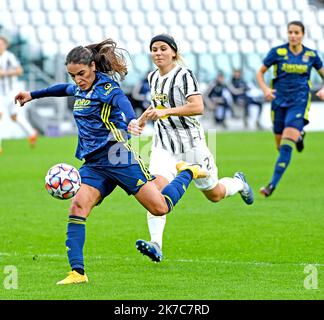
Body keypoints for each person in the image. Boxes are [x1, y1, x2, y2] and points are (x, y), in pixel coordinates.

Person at [15, 39, 208, 285]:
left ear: (93, 67)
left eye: (81, 74)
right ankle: (78, 272)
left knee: (159, 208)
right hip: (94, 164)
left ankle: (188, 172)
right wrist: (32, 95)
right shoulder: (78, 88)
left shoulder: (108, 89)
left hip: (118, 158)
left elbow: (124, 104)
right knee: (77, 208)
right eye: (73, 75)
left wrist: (131, 121)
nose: (77, 80)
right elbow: (62, 88)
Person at [134, 34, 254, 263]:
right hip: (163, 146)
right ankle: (156, 244)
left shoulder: (184, 75)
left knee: (215, 194)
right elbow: (157, 104)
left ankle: (239, 183)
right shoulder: (152, 77)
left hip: (192, 145)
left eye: (162, 49)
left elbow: (197, 106)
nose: (157, 53)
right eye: (154, 49)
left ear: (173, 53)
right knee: (155, 192)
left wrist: (165, 112)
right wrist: (141, 120)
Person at [256, 21, 324, 197]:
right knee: (280, 146)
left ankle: (271, 186)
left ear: (303, 34)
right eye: (290, 32)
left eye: (296, 32)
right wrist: (265, 90)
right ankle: (299, 136)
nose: (293, 35)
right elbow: (260, 72)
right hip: (278, 103)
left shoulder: (311, 55)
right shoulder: (278, 52)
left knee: (286, 146)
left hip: (299, 102)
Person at [0, 36, 37, 153]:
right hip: (0, 92)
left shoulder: (9, 57)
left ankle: (31, 133)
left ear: (5, 45)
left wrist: (4, 73)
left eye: (1, 44)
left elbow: (19, 70)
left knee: (14, 117)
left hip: (10, 91)